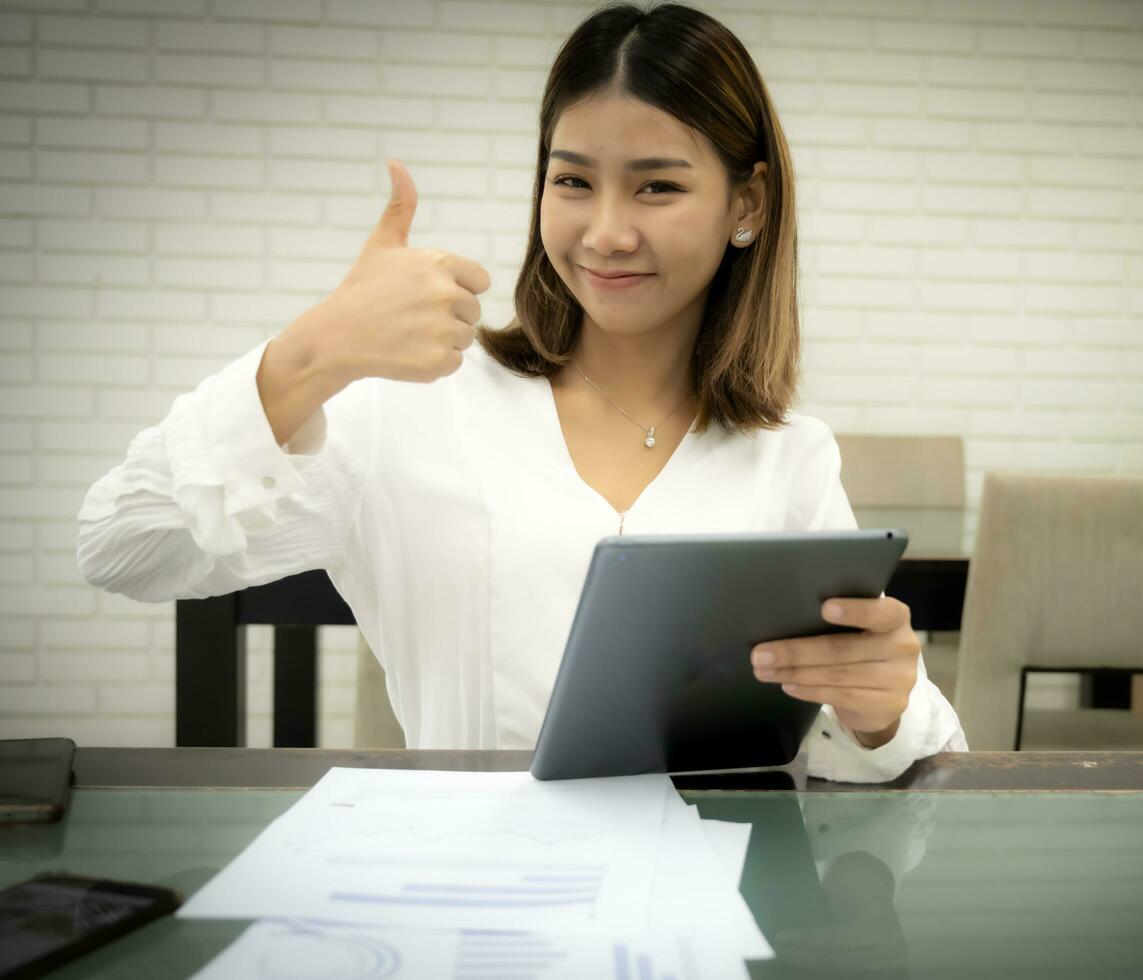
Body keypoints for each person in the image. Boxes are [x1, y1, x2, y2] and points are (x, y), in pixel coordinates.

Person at [76, 1, 967, 782]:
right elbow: (122, 546)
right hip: (467, 916)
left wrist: (883, 707)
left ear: (749, 206)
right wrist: (311, 353)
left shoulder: (788, 456)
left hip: (703, 921)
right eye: (573, 180)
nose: (605, 232)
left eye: (657, 186)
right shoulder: (413, 404)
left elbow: (900, 761)